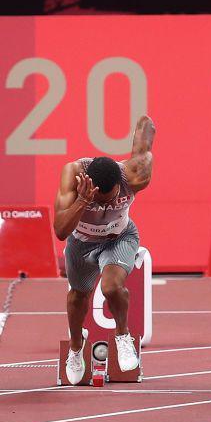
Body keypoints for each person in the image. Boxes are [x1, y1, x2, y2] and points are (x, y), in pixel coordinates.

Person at [53, 116, 156, 384]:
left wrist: (143, 124)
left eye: (109, 200)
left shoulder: (135, 175)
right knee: (78, 297)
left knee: (111, 287)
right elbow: (61, 231)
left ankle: (122, 335)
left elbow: (147, 131)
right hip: (81, 241)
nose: (103, 206)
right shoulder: (72, 175)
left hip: (119, 237)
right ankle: (77, 347)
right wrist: (83, 201)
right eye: (99, 200)